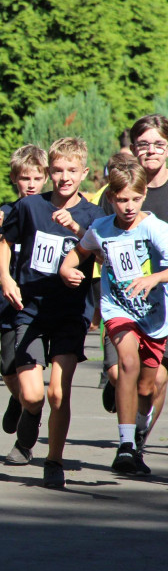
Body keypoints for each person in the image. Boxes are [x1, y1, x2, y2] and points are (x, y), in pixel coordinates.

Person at [0, 137, 103, 488]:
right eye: (57, 170)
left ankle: (53, 460)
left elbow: (107, 258)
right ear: (48, 172)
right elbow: (1, 240)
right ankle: (29, 416)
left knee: (59, 391)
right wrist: (7, 277)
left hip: (71, 313)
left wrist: (78, 231)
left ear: (84, 173)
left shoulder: (93, 215)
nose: (64, 177)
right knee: (33, 394)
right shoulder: (31, 207)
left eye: (72, 170)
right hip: (30, 309)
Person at [61, 157, 168, 475]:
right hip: (118, 309)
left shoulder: (156, 229)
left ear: (144, 195)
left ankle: (137, 436)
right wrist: (67, 268)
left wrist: (154, 278)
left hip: (153, 314)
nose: (129, 206)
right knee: (127, 364)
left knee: (147, 387)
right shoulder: (101, 229)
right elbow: (80, 251)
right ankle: (124, 445)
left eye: (135, 199)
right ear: (111, 198)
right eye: (122, 200)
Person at [0, 145, 48, 436]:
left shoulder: (51, 212)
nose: (31, 184)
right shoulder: (8, 212)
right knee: (8, 368)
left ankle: (30, 411)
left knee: (30, 367)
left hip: (41, 304)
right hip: (10, 301)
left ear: (45, 178)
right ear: (14, 178)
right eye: (24, 178)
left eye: (36, 178)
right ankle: (17, 399)